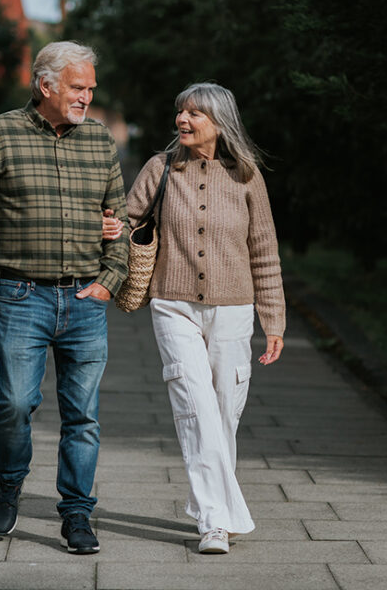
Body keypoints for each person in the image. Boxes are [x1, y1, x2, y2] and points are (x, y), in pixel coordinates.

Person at [0, 41, 129, 555]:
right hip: (20, 294)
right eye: (79, 88)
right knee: (14, 403)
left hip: (85, 298)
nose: (87, 98)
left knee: (83, 414)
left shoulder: (100, 141)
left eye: (91, 88)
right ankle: (9, 479)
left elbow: (120, 222)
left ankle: (77, 514)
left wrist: (110, 279)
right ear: (45, 85)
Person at [123, 82, 285, 555]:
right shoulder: (160, 168)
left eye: (195, 113)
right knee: (194, 404)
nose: (183, 120)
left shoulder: (247, 175)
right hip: (172, 303)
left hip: (234, 307)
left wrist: (273, 319)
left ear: (219, 121)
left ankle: (214, 507)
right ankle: (216, 521)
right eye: (180, 111)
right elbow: (126, 220)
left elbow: (265, 251)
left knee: (223, 411)